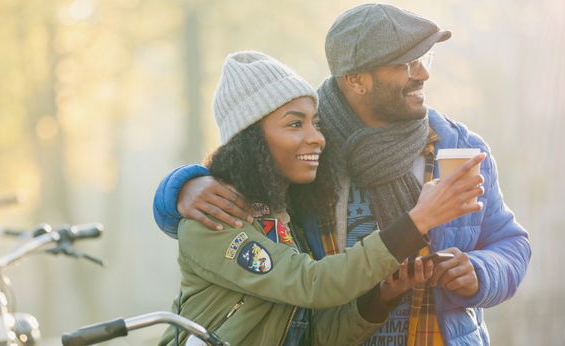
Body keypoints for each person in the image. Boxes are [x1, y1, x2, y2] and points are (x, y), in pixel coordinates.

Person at [153, 4, 530, 346]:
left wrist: (481, 272)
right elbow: (245, 193)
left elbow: (510, 243)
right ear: (356, 79)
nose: (424, 72)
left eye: (425, 56)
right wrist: (180, 188)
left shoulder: (455, 147)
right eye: (405, 62)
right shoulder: (311, 155)